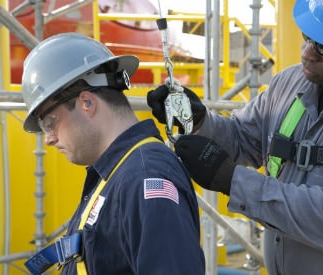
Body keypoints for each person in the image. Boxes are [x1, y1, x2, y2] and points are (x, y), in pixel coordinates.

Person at [147, 0, 323, 274]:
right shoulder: (290, 83)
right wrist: (198, 122)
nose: (308, 53)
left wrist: (234, 181)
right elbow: (243, 139)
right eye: (308, 36)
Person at [21, 32, 205, 275]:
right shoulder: (118, 174)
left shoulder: (144, 178)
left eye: (49, 122)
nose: (49, 138)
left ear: (86, 103)